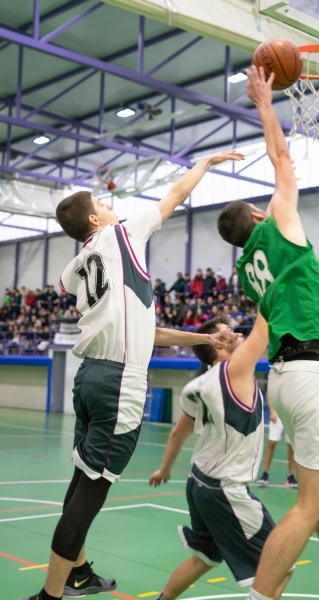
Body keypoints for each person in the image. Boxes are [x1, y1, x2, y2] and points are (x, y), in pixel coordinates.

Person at [21, 149, 244, 600]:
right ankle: (50, 595)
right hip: (119, 381)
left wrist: (203, 338)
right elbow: (175, 194)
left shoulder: (75, 269)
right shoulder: (121, 235)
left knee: (81, 482)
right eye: (101, 203)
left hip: (89, 379)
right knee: (90, 496)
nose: (110, 205)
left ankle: (78, 573)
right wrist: (204, 164)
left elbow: (148, 330)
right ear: (96, 220)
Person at [217, 67, 319, 600]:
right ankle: (261, 595)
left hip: (283, 377)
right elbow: (282, 159)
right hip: (311, 374)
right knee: (309, 502)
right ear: (256, 213)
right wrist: (264, 103)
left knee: (316, 487)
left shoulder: (245, 269)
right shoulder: (279, 222)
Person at [149, 314, 292, 599]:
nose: (237, 333)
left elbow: (178, 433)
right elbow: (262, 332)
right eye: (230, 331)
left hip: (198, 481)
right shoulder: (234, 370)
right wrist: (270, 293)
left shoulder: (200, 384)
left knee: (204, 558)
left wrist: (164, 469)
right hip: (225, 489)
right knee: (281, 564)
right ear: (218, 344)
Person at [257, 392, 297, 488]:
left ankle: (291, 475)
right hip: (277, 413)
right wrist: (272, 411)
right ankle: (265, 474)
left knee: (291, 446)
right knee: (272, 442)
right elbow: (269, 393)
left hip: (291, 415)